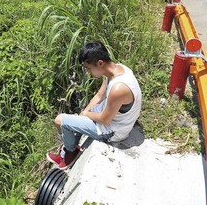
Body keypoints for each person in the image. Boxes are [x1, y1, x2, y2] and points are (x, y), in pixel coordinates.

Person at [47, 41, 142, 169]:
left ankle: (70, 152)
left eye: (88, 68)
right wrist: (83, 113)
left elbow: (105, 119)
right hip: (109, 117)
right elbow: (99, 96)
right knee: (76, 118)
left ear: (100, 63)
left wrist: (86, 114)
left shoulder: (118, 88)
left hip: (113, 131)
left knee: (59, 121)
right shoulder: (116, 69)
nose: (88, 72)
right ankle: (68, 149)